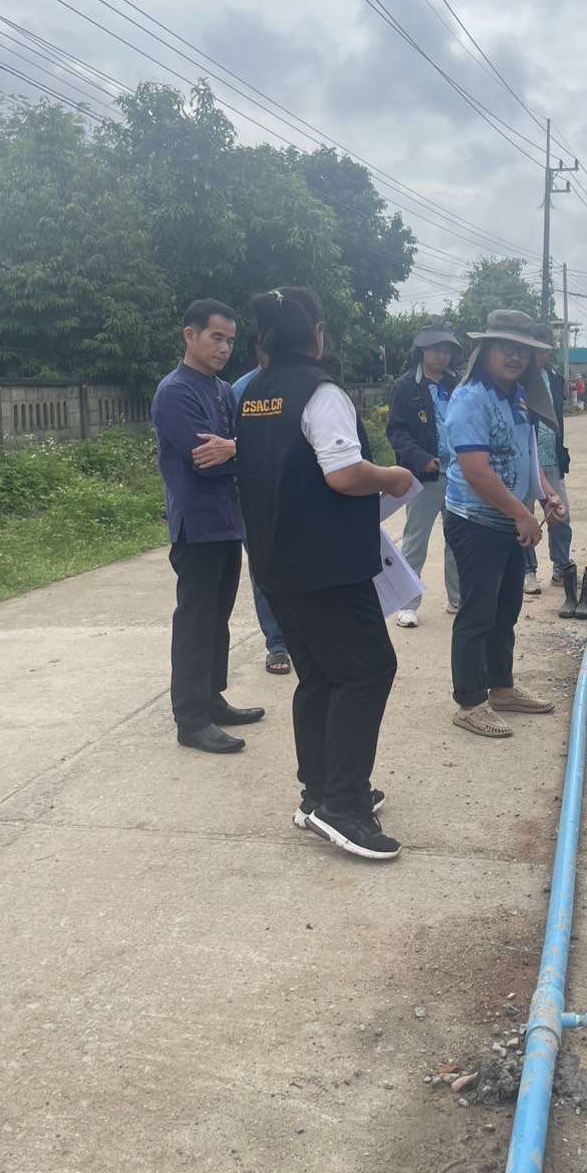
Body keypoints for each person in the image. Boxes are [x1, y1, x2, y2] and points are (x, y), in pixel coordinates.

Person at [235, 286, 413, 861]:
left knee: (319, 677)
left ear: (264, 336)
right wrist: (391, 476)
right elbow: (344, 474)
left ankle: (319, 793)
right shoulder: (320, 390)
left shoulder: (254, 392)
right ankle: (344, 805)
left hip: (277, 561)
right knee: (367, 671)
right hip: (326, 567)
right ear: (315, 333)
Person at [444, 309, 567, 739]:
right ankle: (469, 702)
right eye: (506, 348)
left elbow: (526, 456)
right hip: (476, 522)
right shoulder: (470, 398)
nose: (515, 357)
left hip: (510, 522)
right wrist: (520, 513)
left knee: (505, 612)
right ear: (485, 350)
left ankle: (501, 688)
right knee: (477, 614)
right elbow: (475, 471)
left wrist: (546, 495)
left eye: (523, 351)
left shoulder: (516, 397)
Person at [151, 299, 265, 755]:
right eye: (216, 337)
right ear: (190, 335)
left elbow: (240, 448)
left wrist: (236, 448)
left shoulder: (223, 390)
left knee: (218, 619)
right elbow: (204, 459)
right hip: (196, 526)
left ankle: (212, 698)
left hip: (228, 522)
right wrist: (242, 451)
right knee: (196, 621)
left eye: (231, 341)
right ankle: (191, 718)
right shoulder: (175, 391)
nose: (224, 348)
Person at [385, 316, 462, 627]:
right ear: (422, 350)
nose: (442, 356)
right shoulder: (406, 386)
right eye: (435, 349)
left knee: (457, 540)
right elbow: (397, 431)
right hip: (425, 476)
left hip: (459, 475)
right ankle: (407, 604)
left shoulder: (459, 383)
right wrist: (421, 459)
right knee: (415, 541)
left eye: (447, 350)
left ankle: (458, 599)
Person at [232, 352, 291, 674]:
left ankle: (305, 637)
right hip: (254, 496)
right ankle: (277, 643)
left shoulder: (304, 385)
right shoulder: (242, 390)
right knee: (263, 569)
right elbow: (226, 444)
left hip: (296, 493)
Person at [523, 322, 575, 598]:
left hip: (552, 457)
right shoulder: (518, 378)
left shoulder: (555, 378)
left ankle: (561, 565)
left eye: (545, 350)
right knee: (524, 514)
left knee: (560, 513)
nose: (540, 355)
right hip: (524, 458)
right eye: (535, 349)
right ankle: (527, 571)